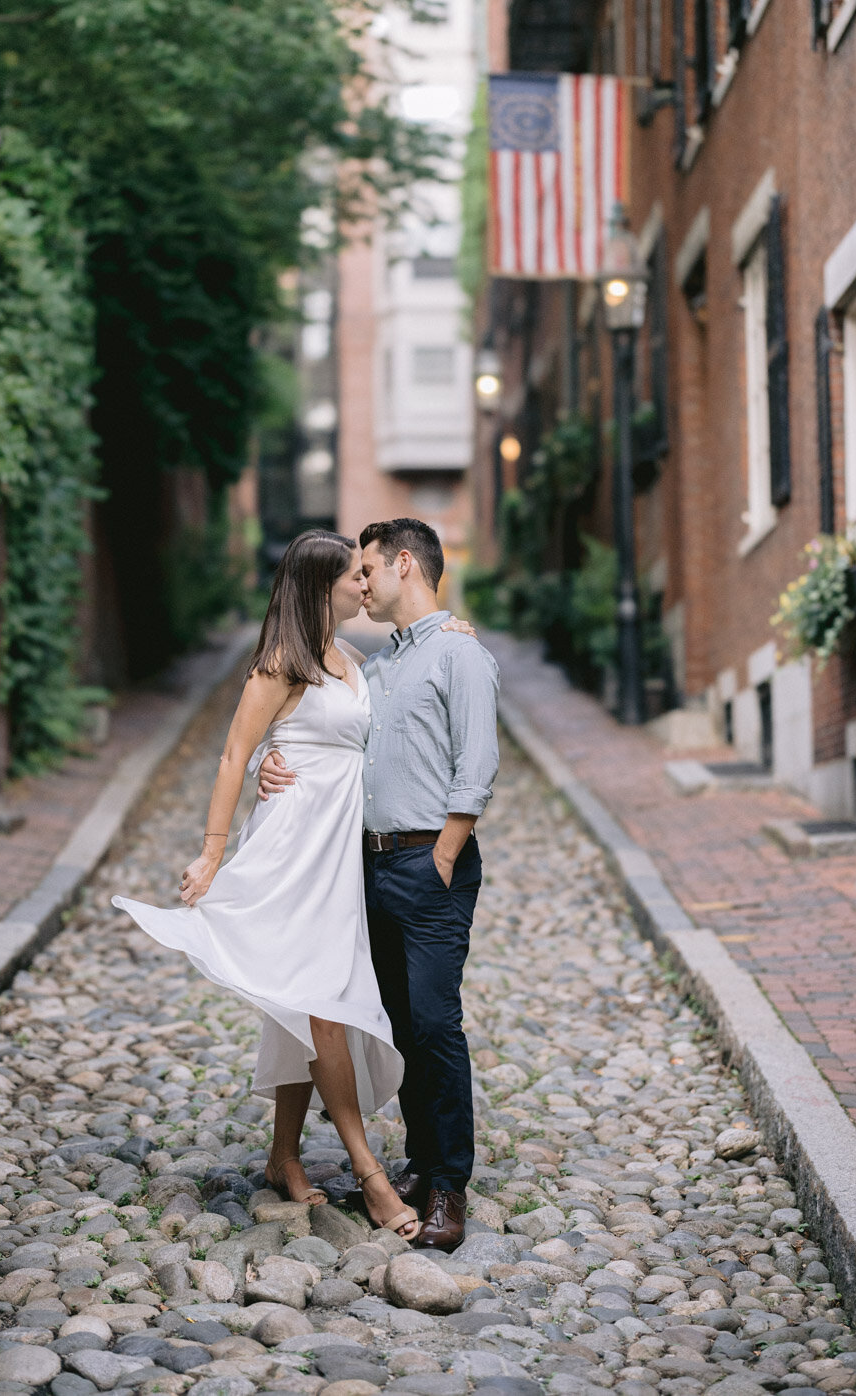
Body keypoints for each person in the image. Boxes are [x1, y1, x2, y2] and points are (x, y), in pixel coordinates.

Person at [259, 518, 500, 1250]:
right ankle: (421, 1166)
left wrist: (445, 855)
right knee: (394, 1020)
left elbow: (478, 762)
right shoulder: (377, 665)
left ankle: (448, 1184)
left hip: (428, 862)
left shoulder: (459, 654)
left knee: (432, 1022)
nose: (362, 582)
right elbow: (306, 723)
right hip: (363, 866)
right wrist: (264, 762)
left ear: (405, 564)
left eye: (368, 568)